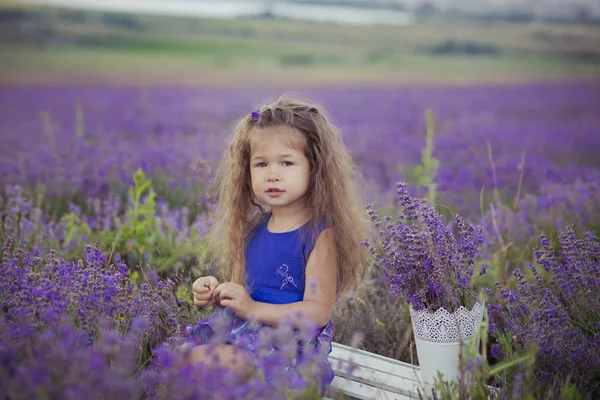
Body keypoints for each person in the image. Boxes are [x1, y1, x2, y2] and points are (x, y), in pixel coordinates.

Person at [183, 96, 370, 395]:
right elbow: (243, 292)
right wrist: (216, 292)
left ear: (315, 168)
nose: (273, 173)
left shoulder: (318, 236)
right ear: (246, 172)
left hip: (289, 350)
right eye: (261, 163)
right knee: (183, 358)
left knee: (214, 364)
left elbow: (317, 313)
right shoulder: (251, 231)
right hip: (244, 335)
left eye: (286, 162)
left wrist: (254, 308)